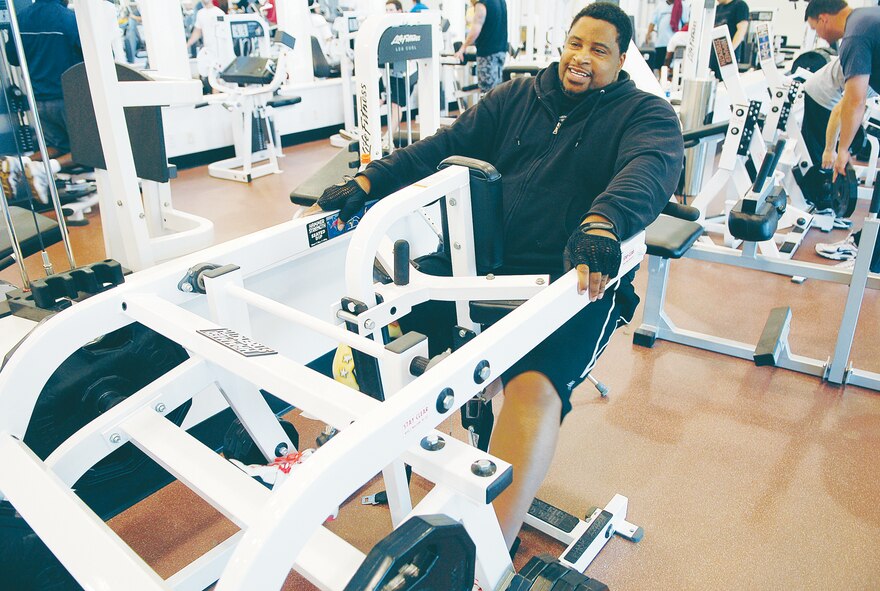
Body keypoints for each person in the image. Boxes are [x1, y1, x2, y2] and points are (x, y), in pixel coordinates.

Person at [305, 3, 683, 548]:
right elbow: (443, 147)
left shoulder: (644, 114)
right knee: (379, 334)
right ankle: (368, 463)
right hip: (476, 264)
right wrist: (370, 181)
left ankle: (486, 556)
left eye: (599, 50)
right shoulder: (518, 96)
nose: (582, 58)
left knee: (535, 386)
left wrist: (602, 224)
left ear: (621, 58)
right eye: (576, 44)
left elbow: (648, 170)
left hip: (572, 276)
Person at [4, 0, 82, 202]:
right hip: (68, 98)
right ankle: (43, 169)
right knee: (89, 149)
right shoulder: (68, 19)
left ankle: (18, 163)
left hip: (38, 100)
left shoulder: (21, 19)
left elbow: (13, 57)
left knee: (56, 146)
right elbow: (90, 55)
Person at [805, 0, 879, 179]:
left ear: (823, 19)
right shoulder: (867, 16)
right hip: (819, 95)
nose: (820, 36)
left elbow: (854, 101)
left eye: (815, 29)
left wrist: (842, 151)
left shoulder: (855, 36)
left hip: (823, 95)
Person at [454, 0, 508, 93]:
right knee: (497, 92)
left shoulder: (482, 3)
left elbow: (476, 29)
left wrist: (463, 48)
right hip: (501, 51)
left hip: (488, 54)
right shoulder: (501, 2)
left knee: (488, 94)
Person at [186, 0, 227, 89]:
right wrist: (186, 46)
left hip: (220, 52)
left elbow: (225, 35)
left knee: (218, 80)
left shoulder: (219, 13)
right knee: (212, 80)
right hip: (208, 52)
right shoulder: (200, 14)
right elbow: (197, 32)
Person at [645, 0, 688, 73]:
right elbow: (652, 22)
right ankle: (661, 82)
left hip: (675, 44)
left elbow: (686, 24)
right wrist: (648, 34)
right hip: (661, 42)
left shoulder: (682, 5)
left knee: (674, 66)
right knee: (660, 66)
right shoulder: (660, 6)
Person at [710, 0, 749, 78]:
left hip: (728, 56)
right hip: (714, 54)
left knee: (726, 82)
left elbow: (741, 30)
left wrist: (729, 51)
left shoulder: (740, 5)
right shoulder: (717, 8)